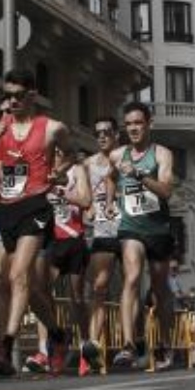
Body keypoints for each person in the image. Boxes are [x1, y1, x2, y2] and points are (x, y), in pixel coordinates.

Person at [0, 70, 79, 377]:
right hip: (6, 210)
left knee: (19, 274)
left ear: (33, 95)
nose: (12, 101)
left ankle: (3, 347)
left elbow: (72, 154)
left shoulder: (51, 128)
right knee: (17, 286)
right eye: (8, 96)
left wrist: (60, 170)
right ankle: (58, 334)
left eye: (19, 95)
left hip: (36, 205)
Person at [111, 101, 178, 371]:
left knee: (160, 291)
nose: (133, 129)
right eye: (128, 124)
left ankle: (164, 342)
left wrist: (138, 175)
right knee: (132, 277)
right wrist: (106, 202)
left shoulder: (162, 154)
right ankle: (128, 345)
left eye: (138, 123)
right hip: (131, 228)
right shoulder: (118, 155)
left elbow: (166, 191)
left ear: (149, 124)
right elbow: (107, 176)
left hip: (158, 230)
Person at [28, 142, 93, 373]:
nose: (54, 155)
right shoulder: (40, 171)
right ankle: (47, 349)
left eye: (57, 151)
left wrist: (62, 188)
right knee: (41, 293)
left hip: (73, 238)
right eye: (50, 151)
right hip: (49, 239)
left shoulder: (77, 170)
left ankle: (85, 345)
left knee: (76, 298)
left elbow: (86, 201)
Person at [80, 116, 122, 373]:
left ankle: (131, 344)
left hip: (127, 227)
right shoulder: (87, 164)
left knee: (129, 287)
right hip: (101, 227)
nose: (103, 136)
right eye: (98, 133)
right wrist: (88, 207)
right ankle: (93, 345)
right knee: (99, 287)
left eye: (107, 131)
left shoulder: (126, 158)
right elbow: (83, 194)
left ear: (116, 134)